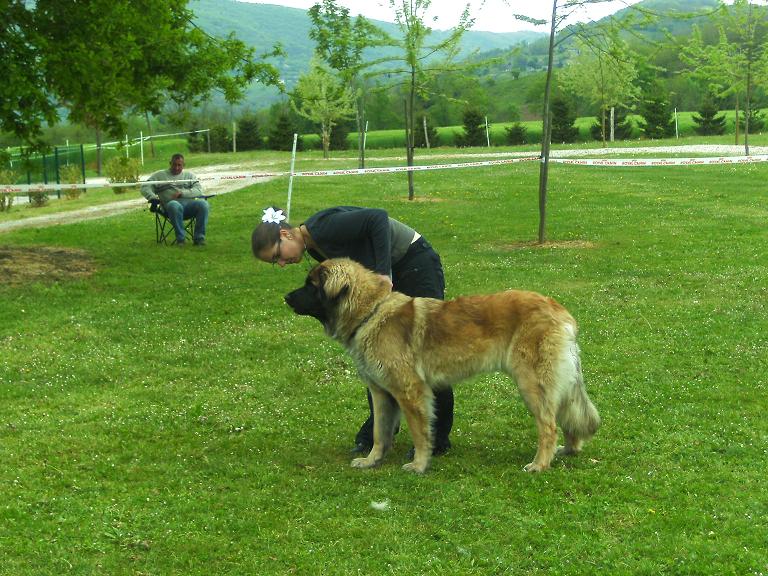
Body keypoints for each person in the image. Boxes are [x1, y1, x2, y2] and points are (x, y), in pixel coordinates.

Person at [252, 205, 454, 457]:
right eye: (276, 262)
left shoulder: (323, 229)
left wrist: (383, 272)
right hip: (390, 275)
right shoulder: (314, 246)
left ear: (285, 234)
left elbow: (377, 218)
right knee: (378, 355)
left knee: (425, 350)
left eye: (277, 256)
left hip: (413, 262)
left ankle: (436, 436)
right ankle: (380, 433)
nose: (282, 263)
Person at [141, 153, 209, 246]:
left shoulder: (189, 176)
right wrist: (152, 198)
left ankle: (199, 239)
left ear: (183, 165)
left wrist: (182, 193)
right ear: (170, 163)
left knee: (203, 204)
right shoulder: (159, 175)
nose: (176, 168)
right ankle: (181, 239)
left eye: (179, 165)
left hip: (189, 206)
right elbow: (145, 187)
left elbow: (199, 190)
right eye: (174, 164)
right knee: (174, 204)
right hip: (170, 208)